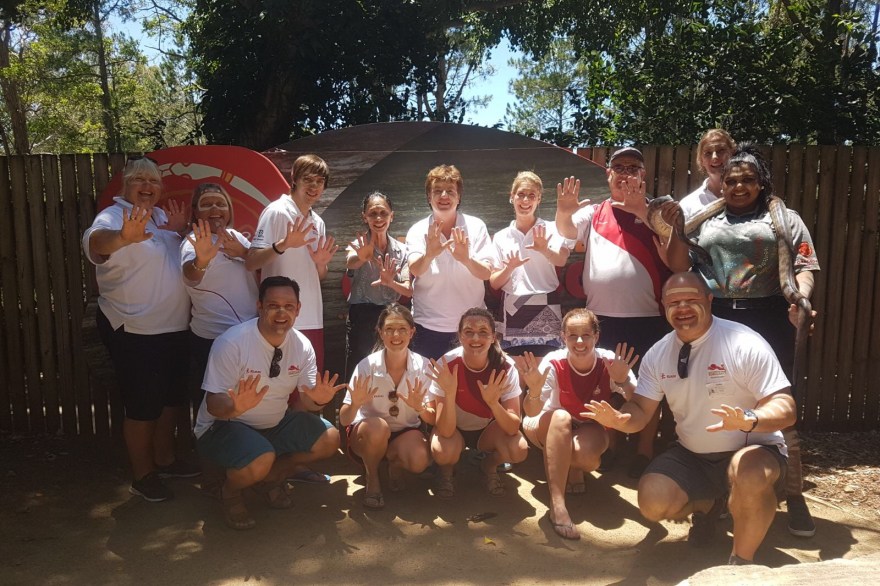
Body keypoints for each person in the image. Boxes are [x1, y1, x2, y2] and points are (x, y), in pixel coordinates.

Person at [583, 272, 797, 565]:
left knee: (747, 473)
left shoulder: (743, 341)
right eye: (674, 302)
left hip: (755, 452)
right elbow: (642, 411)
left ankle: (741, 562)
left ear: (709, 301)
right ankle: (712, 506)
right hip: (693, 455)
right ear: (663, 307)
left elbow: (785, 407)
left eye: (691, 300)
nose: (682, 307)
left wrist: (749, 418)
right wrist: (620, 419)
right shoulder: (659, 353)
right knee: (652, 501)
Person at [671, 145, 821, 537]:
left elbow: (805, 267)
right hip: (717, 315)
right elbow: (682, 262)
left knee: (777, 405)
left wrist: (801, 299)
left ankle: (794, 494)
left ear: (761, 182)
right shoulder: (705, 219)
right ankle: (715, 502)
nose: (738, 186)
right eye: (732, 179)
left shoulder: (785, 219)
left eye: (747, 179)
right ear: (723, 181)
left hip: (770, 316)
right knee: (716, 401)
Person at [83, 157, 198, 502]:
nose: (147, 186)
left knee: (170, 401)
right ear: (125, 186)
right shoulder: (113, 217)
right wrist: (122, 237)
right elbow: (95, 244)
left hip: (175, 327)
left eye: (153, 181)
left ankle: (164, 460)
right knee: (142, 406)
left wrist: (176, 232)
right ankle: (143, 474)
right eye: (139, 180)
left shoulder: (162, 218)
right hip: (134, 329)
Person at [555, 148, 673, 477]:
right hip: (602, 318)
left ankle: (644, 451)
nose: (624, 173)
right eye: (618, 167)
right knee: (607, 384)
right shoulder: (594, 212)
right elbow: (565, 231)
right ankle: (612, 444)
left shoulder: (658, 211)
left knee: (650, 387)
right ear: (608, 175)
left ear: (643, 175)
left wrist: (644, 214)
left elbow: (677, 252)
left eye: (632, 168)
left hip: (650, 317)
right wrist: (564, 211)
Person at [193, 276, 344, 530]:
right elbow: (213, 404)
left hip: (274, 425)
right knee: (260, 456)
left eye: (289, 306)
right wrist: (237, 407)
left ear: (298, 309)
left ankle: (271, 478)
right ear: (260, 307)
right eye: (273, 305)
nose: (281, 312)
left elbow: (307, 398)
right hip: (225, 425)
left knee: (329, 438)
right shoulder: (232, 342)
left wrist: (318, 401)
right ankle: (228, 492)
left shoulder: (302, 345)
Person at [517, 309, 638, 540]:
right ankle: (558, 504)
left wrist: (622, 381)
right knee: (561, 416)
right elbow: (531, 411)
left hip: (587, 425)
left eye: (586, 335)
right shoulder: (554, 361)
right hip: (547, 423)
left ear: (596, 336)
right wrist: (532, 390)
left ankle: (572, 467)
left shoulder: (609, 361)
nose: (580, 341)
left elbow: (640, 403)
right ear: (563, 337)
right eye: (572, 335)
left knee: (586, 457)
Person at [246, 154, 338, 374]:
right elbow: (251, 262)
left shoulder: (318, 222)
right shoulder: (277, 211)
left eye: (320, 181)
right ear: (294, 178)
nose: (314, 186)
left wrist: (321, 265)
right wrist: (283, 244)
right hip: (278, 318)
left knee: (307, 390)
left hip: (311, 317)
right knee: (276, 387)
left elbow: (319, 276)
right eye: (308, 179)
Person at [427, 308, 528, 498]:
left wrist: (493, 403)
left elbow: (513, 427)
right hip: (454, 429)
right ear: (460, 336)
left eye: (483, 332)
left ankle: (489, 466)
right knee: (442, 451)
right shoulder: (446, 364)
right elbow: (445, 430)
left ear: (493, 337)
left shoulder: (505, 367)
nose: (475, 339)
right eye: (468, 332)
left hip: (488, 431)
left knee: (518, 449)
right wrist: (449, 394)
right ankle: (447, 472)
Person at [340, 304, 432, 510]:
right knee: (377, 427)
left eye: (402, 329)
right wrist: (355, 404)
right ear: (380, 333)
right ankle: (373, 478)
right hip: (368, 434)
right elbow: (345, 419)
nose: (396, 335)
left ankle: (394, 464)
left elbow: (433, 419)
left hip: (405, 432)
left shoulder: (424, 366)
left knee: (419, 461)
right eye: (389, 329)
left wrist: (421, 408)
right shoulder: (366, 366)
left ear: (412, 332)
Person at [406, 165, 494, 360]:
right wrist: (429, 255)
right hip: (427, 326)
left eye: (450, 191)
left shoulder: (476, 226)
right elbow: (415, 269)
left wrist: (466, 259)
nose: (444, 196)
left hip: (471, 328)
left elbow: (487, 272)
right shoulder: (418, 229)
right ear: (429, 197)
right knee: (428, 389)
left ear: (459, 197)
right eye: (437, 191)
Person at [181, 183, 258, 404]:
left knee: (246, 403)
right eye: (207, 204)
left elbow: (258, 265)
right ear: (196, 212)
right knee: (216, 407)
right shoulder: (192, 242)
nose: (215, 208)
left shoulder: (236, 236)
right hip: (213, 341)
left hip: (249, 337)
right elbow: (190, 277)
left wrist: (244, 253)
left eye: (221, 203)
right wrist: (201, 261)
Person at [490, 171, 570, 355]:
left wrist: (544, 249)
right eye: (521, 194)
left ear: (539, 199)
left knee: (547, 365)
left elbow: (562, 260)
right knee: (516, 370)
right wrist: (509, 267)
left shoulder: (551, 228)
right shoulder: (501, 236)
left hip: (547, 304)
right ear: (512, 197)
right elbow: (494, 282)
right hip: (513, 306)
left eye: (531, 195)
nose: (525, 200)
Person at [345, 192, 412, 374]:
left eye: (383, 213)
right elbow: (350, 262)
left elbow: (407, 290)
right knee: (360, 367)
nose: (378, 218)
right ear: (364, 217)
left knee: (391, 366)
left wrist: (391, 283)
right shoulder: (359, 245)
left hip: (392, 316)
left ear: (392, 215)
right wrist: (361, 258)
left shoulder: (402, 250)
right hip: (363, 316)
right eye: (373, 213)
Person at [678, 129, 736, 219]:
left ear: (733, 153)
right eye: (708, 153)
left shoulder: (749, 196)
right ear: (701, 160)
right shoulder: (688, 205)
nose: (715, 157)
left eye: (721, 150)